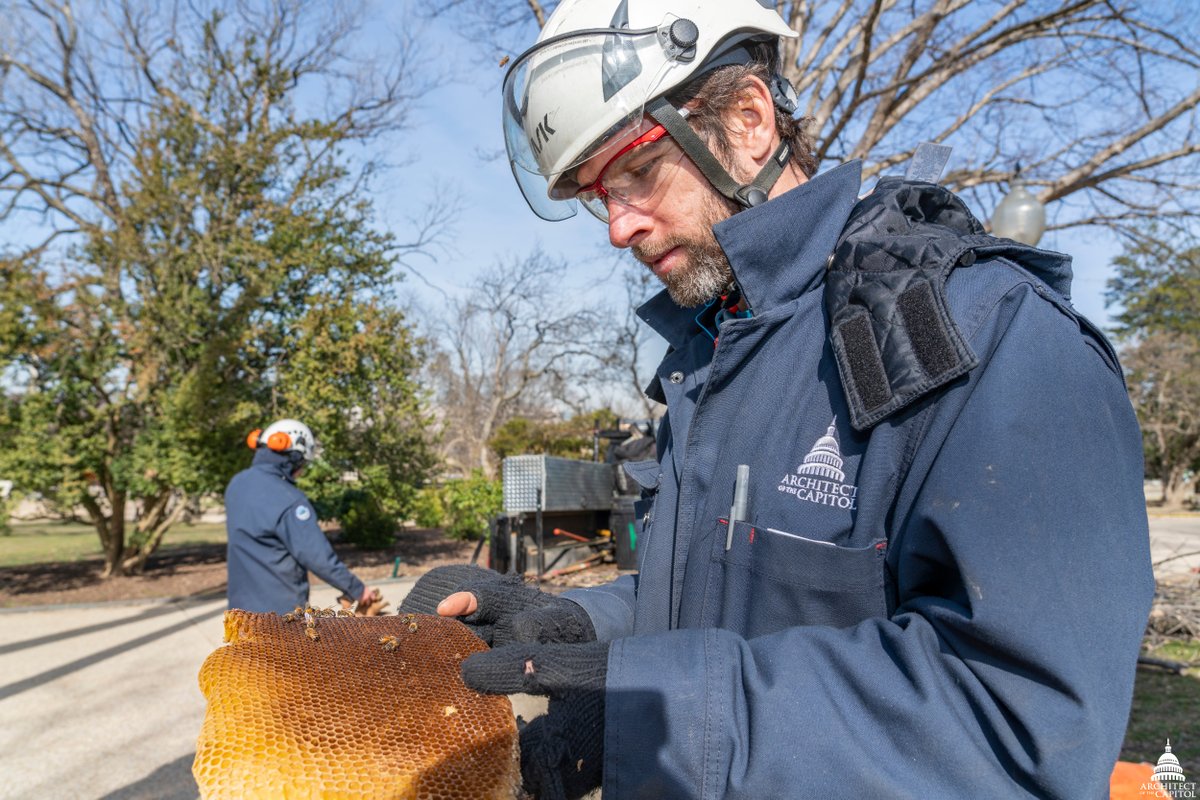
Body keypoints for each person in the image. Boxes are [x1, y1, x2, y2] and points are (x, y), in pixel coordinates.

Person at [402, 2, 1153, 797]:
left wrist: (655, 704)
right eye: (597, 194)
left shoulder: (985, 335)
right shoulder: (717, 351)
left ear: (750, 120)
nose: (617, 227)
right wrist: (583, 629)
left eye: (636, 171)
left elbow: (1020, 724)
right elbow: (727, 598)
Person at [225, 418, 384, 616]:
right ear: (293, 457)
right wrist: (358, 590)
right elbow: (318, 557)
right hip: (279, 617)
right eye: (302, 463)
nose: (301, 471)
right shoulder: (289, 499)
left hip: (239, 613)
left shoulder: (237, 484)